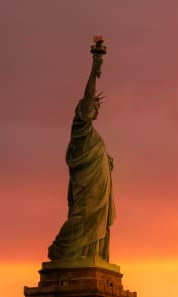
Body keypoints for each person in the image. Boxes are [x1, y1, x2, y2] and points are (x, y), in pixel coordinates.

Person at [48, 38, 115, 264]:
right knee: (82, 216)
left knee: (94, 220)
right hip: (87, 189)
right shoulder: (81, 127)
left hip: (98, 189)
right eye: (93, 106)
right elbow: (88, 97)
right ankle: (61, 250)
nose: (95, 109)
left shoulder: (93, 135)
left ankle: (90, 254)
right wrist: (95, 67)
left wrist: (106, 161)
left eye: (97, 107)